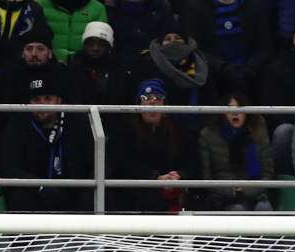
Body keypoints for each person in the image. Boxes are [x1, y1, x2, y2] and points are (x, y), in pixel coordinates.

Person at [0, 75, 95, 212]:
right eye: (36, 99)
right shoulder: (17, 123)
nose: (42, 104)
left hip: (73, 191)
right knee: (19, 197)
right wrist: (41, 187)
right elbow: (9, 167)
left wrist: (87, 187)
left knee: (93, 197)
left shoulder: (78, 120)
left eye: (48, 99)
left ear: (59, 101)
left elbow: (99, 161)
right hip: (35, 192)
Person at [107, 79, 199, 212]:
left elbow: (193, 162)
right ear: (139, 105)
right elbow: (123, 163)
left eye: (157, 97)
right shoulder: (124, 128)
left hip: (175, 190)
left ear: (164, 104)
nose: (152, 102)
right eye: (145, 98)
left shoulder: (179, 129)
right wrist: (155, 177)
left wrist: (179, 176)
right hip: (137, 193)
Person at [197, 91, 274, 211]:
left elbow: (268, 174)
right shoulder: (208, 136)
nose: (235, 113)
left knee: (265, 208)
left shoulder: (259, 133)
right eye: (230, 108)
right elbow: (205, 178)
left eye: (239, 108)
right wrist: (229, 189)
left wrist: (247, 189)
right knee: (238, 210)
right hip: (223, 197)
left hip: (256, 194)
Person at [133, 23, 220, 125]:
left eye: (178, 38)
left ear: (185, 41)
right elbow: (137, 98)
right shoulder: (147, 62)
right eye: (167, 39)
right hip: (159, 126)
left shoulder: (199, 63)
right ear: (161, 42)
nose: (172, 42)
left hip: (196, 129)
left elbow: (212, 101)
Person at [180, 0, 272, 95]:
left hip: (251, 82)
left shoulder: (256, 7)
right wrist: (223, 68)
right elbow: (193, 48)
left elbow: (265, 49)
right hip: (211, 82)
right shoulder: (195, 7)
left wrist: (249, 69)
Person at [261, 16, 295, 175]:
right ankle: (286, 184)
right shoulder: (277, 68)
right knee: (283, 132)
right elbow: (273, 113)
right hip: (294, 125)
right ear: (294, 38)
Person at [0, 25, 69, 106]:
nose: (34, 54)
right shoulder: (9, 74)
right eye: (29, 49)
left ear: (50, 53)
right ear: (23, 53)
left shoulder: (63, 73)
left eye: (40, 49)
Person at [68, 21, 130, 105]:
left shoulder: (119, 72)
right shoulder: (71, 71)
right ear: (84, 45)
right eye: (90, 43)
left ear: (109, 47)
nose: (95, 48)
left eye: (102, 44)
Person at [37, 0, 107, 62]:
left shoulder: (97, 8)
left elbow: (101, 42)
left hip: (84, 65)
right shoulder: (39, 4)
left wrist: (78, 57)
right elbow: (33, 39)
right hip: (48, 63)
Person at [105, 0, 173, 61]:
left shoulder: (161, 6)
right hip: (117, 63)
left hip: (152, 61)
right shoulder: (110, 8)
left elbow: (168, 36)